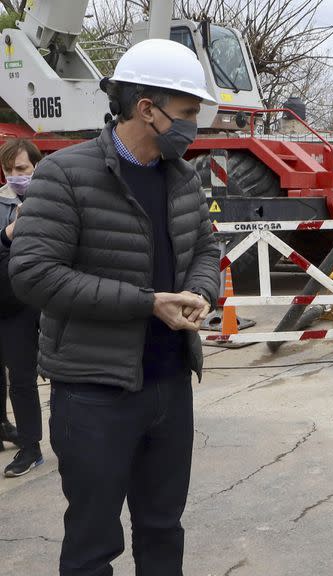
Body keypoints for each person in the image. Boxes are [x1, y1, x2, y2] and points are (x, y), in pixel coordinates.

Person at [9, 39, 220, 575]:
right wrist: (147, 304)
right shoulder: (65, 174)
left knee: (162, 529)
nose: (196, 124)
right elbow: (33, 274)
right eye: (188, 113)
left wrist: (200, 292)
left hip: (170, 384)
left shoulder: (183, 177)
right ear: (147, 109)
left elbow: (206, 248)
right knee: (92, 542)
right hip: (94, 394)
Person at [0, 138, 43, 476]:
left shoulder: (51, 198)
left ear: (36, 167)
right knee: (15, 377)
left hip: (36, 301)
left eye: (22, 169)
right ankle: (16, 436)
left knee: (28, 376)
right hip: (7, 300)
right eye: (9, 169)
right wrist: (8, 233)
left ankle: (33, 444)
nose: (15, 176)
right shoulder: (2, 203)